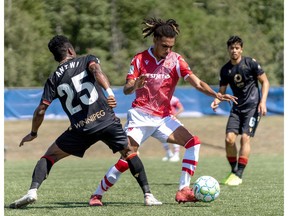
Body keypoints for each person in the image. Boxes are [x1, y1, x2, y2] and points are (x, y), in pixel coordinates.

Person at [91, 17, 237, 204]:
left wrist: (215, 94)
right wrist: (135, 84)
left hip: (163, 118)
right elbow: (127, 89)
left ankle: (183, 190)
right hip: (140, 116)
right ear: (155, 41)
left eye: (171, 46)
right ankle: (97, 195)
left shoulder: (176, 60)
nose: (168, 50)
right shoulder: (139, 59)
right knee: (127, 158)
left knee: (193, 143)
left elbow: (198, 82)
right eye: (164, 46)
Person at [9, 35, 161, 208]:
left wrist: (33, 133)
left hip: (81, 128)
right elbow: (96, 71)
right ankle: (148, 195)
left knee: (49, 156)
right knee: (129, 152)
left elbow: (41, 110)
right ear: (70, 50)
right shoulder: (87, 60)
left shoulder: (53, 79)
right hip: (106, 120)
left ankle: (32, 191)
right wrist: (110, 93)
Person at [211, 35, 269, 186]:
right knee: (229, 139)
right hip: (236, 108)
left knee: (244, 138)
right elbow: (222, 91)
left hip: (252, 108)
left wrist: (262, 101)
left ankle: (239, 174)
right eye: (232, 48)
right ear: (228, 50)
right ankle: (233, 170)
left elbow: (265, 82)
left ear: (241, 49)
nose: (234, 51)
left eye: (237, 48)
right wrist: (216, 100)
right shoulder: (225, 70)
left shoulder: (250, 63)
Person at [161, 95, 184, 162]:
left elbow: (181, 108)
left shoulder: (173, 99)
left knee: (174, 137)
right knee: (162, 137)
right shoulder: (159, 97)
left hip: (170, 120)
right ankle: (169, 153)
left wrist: (174, 116)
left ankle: (176, 155)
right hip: (161, 120)